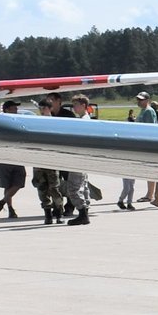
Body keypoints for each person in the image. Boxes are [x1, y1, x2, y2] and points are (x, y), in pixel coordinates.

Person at [62, 92, 95, 225]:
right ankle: (84, 212)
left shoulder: (83, 121)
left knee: (73, 187)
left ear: (83, 105)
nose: (73, 108)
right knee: (83, 185)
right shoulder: (86, 118)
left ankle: (82, 213)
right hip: (84, 157)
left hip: (79, 157)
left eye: (75, 105)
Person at [32, 95, 66, 224]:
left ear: (50, 108)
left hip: (52, 161)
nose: (42, 110)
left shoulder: (55, 122)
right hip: (39, 161)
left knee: (55, 189)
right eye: (40, 108)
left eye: (44, 107)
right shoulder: (36, 123)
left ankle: (59, 213)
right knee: (42, 189)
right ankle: (47, 214)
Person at [0, 99, 27, 218]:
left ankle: (3, 204)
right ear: (7, 110)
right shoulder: (3, 121)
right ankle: (9, 208)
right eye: (14, 108)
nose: (16, 110)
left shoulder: (14, 120)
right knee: (12, 183)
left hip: (14, 155)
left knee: (16, 183)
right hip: (6, 155)